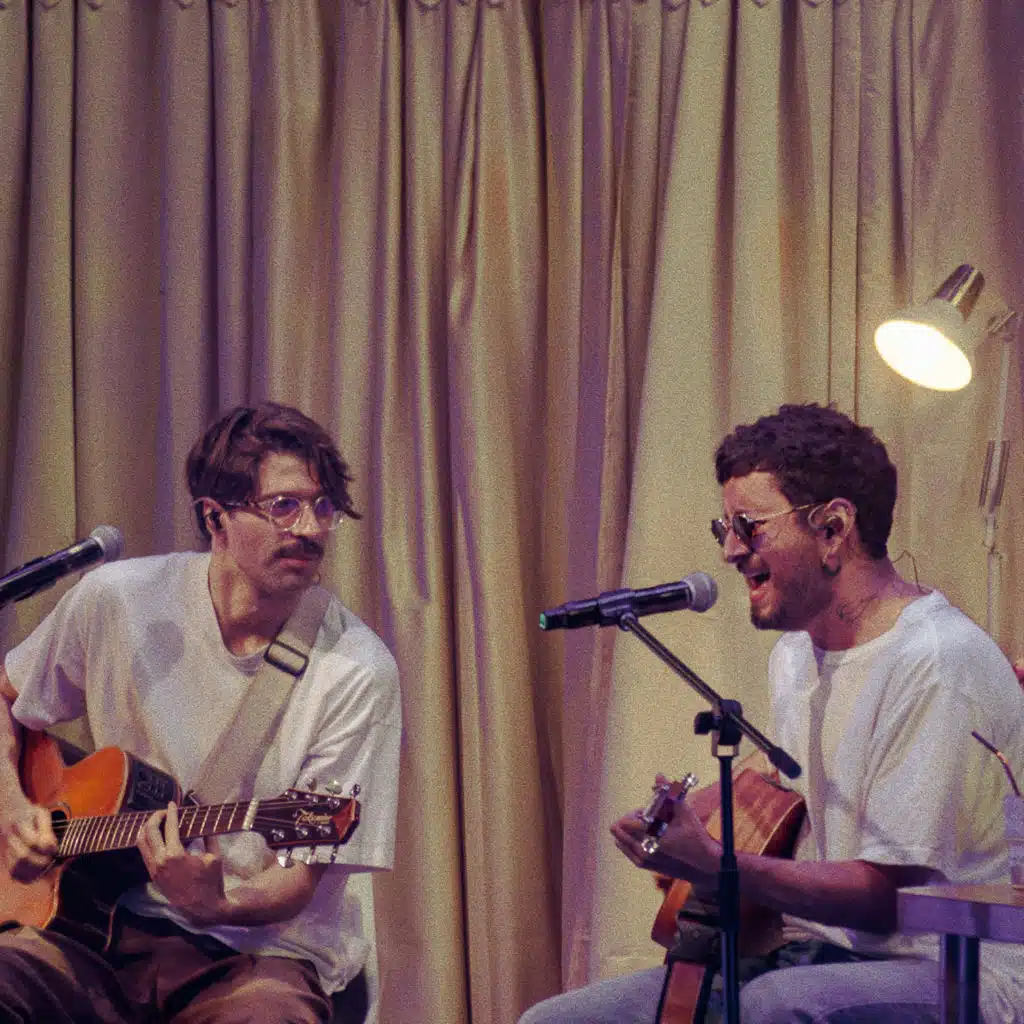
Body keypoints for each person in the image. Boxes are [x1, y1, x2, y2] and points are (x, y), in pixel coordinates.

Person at [521, 403, 1024, 1023]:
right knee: (557, 1021)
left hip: (951, 968)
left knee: (771, 1009)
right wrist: (703, 818)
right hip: (814, 954)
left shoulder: (937, 661)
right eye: (724, 528)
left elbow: (891, 897)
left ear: (833, 528)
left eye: (749, 527)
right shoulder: (793, 658)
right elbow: (800, 793)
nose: (731, 552)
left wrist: (721, 866)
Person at [0, 402, 401, 1023]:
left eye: (323, 507)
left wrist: (219, 905)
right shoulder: (118, 601)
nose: (311, 528)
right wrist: (13, 810)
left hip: (257, 955)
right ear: (215, 517)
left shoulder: (355, 671)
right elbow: (5, 695)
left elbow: (297, 881)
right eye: (284, 506)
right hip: (94, 930)